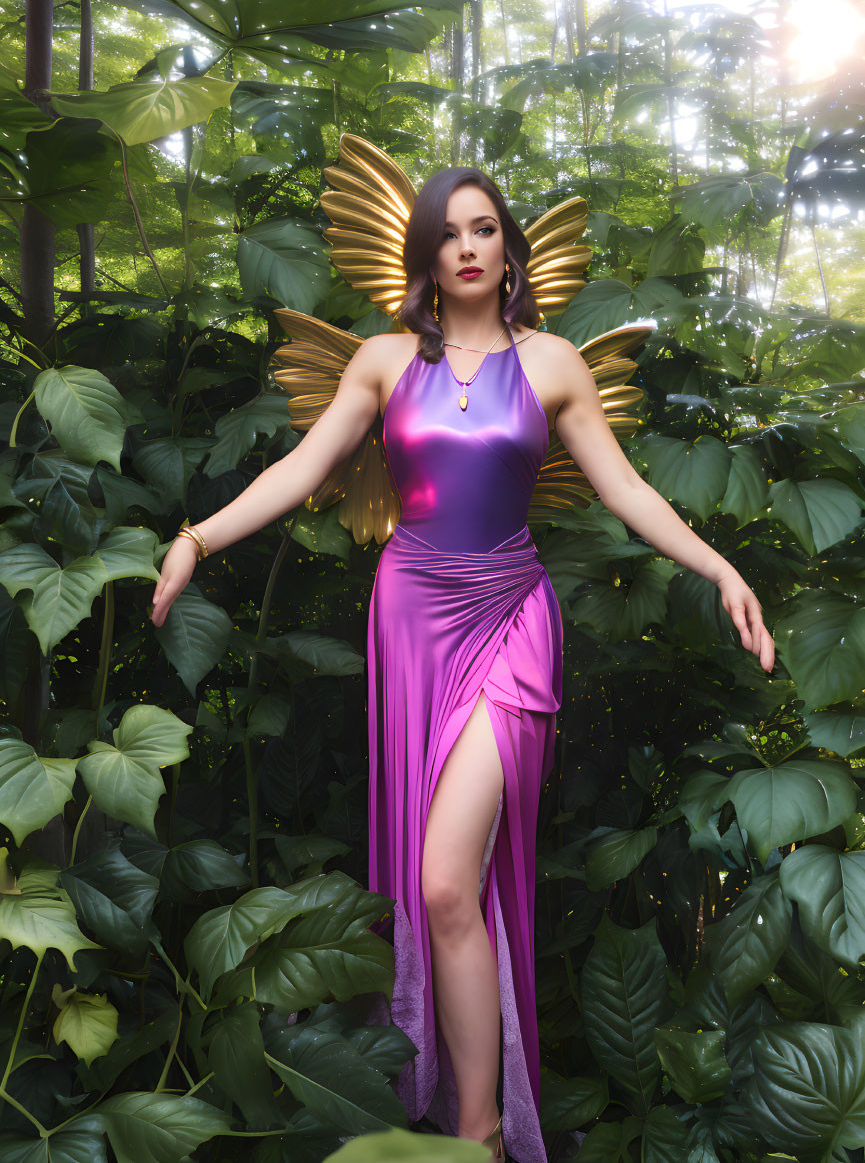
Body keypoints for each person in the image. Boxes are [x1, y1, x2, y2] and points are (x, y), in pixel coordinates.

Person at [151, 168, 775, 1163]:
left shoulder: (556, 363)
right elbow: (300, 470)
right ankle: (463, 1127)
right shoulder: (383, 362)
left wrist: (718, 565)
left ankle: (479, 1134)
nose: (470, 247)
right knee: (437, 884)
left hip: (511, 618)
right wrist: (194, 539)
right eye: (450, 233)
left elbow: (626, 491)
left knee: (448, 883)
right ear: (426, 256)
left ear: (509, 247)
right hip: (410, 618)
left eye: (486, 229)